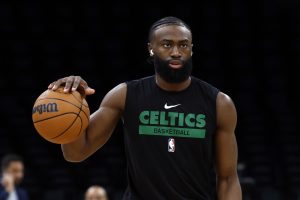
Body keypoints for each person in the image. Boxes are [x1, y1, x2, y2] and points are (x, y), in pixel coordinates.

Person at [48, 16, 242, 200]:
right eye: (167, 44)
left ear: (191, 49)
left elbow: (228, 179)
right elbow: (75, 153)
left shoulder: (219, 103)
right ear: (151, 49)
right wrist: (71, 103)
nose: (176, 52)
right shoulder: (124, 95)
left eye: (183, 45)